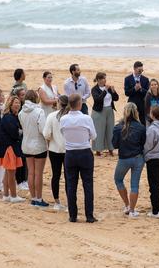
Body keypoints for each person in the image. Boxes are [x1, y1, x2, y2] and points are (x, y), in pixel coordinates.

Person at [59, 94, 98, 223]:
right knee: (87, 185)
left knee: (71, 185)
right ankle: (89, 215)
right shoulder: (86, 118)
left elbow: (62, 133)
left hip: (70, 153)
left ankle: (73, 215)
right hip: (84, 152)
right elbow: (93, 136)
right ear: (80, 104)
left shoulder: (64, 119)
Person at [112, 103, 147, 218]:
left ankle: (127, 204)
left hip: (124, 158)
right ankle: (132, 210)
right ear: (136, 112)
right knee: (135, 185)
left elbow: (114, 144)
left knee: (118, 180)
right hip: (138, 158)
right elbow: (143, 144)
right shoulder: (141, 127)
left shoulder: (118, 127)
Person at [18, 90, 49, 207]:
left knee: (31, 172)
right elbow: (43, 130)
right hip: (38, 145)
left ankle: (33, 197)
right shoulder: (39, 111)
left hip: (26, 145)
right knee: (38, 173)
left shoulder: (21, 112)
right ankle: (39, 198)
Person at [0, 95, 25, 203]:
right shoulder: (9, 117)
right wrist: (21, 132)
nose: (17, 105)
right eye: (15, 103)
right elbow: (14, 133)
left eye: (18, 103)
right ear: (10, 104)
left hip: (8, 147)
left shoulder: (11, 116)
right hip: (9, 148)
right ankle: (13, 196)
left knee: (7, 173)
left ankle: (6, 195)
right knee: (11, 173)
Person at [43, 95, 69, 211]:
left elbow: (46, 134)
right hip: (68, 149)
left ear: (59, 103)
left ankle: (57, 201)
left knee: (56, 175)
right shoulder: (70, 116)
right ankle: (70, 201)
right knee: (69, 177)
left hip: (55, 150)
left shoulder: (52, 116)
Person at [91, 72, 119, 156]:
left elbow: (116, 98)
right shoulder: (94, 89)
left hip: (109, 110)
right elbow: (98, 99)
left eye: (105, 78)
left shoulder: (109, 88)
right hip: (99, 112)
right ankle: (98, 150)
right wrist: (105, 91)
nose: (105, 80)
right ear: (99, 80)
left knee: (110, 130)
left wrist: (113, 91)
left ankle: (111, 149)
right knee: (99, 131)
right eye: (103, 78)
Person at [124, 61, 150, 125]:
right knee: (130, 122)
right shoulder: (127, 79)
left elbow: (148, 93)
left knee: (143, 123)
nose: (141, 72)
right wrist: (134, 89)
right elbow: (126, 93)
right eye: (139, 70)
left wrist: (141, 89)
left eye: (142, 70)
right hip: (131, 104)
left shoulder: (145, 79)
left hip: (142, 104)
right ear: (134, 69)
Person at [14, 87, 29, 191]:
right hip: (18, 136)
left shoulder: (24, 106)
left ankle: (24, 179)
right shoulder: (17, 109)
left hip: (24, 135)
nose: (24, 97)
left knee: (24, 159)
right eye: (22, 95)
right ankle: (19, 180)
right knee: (20, 159)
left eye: (25, 94)